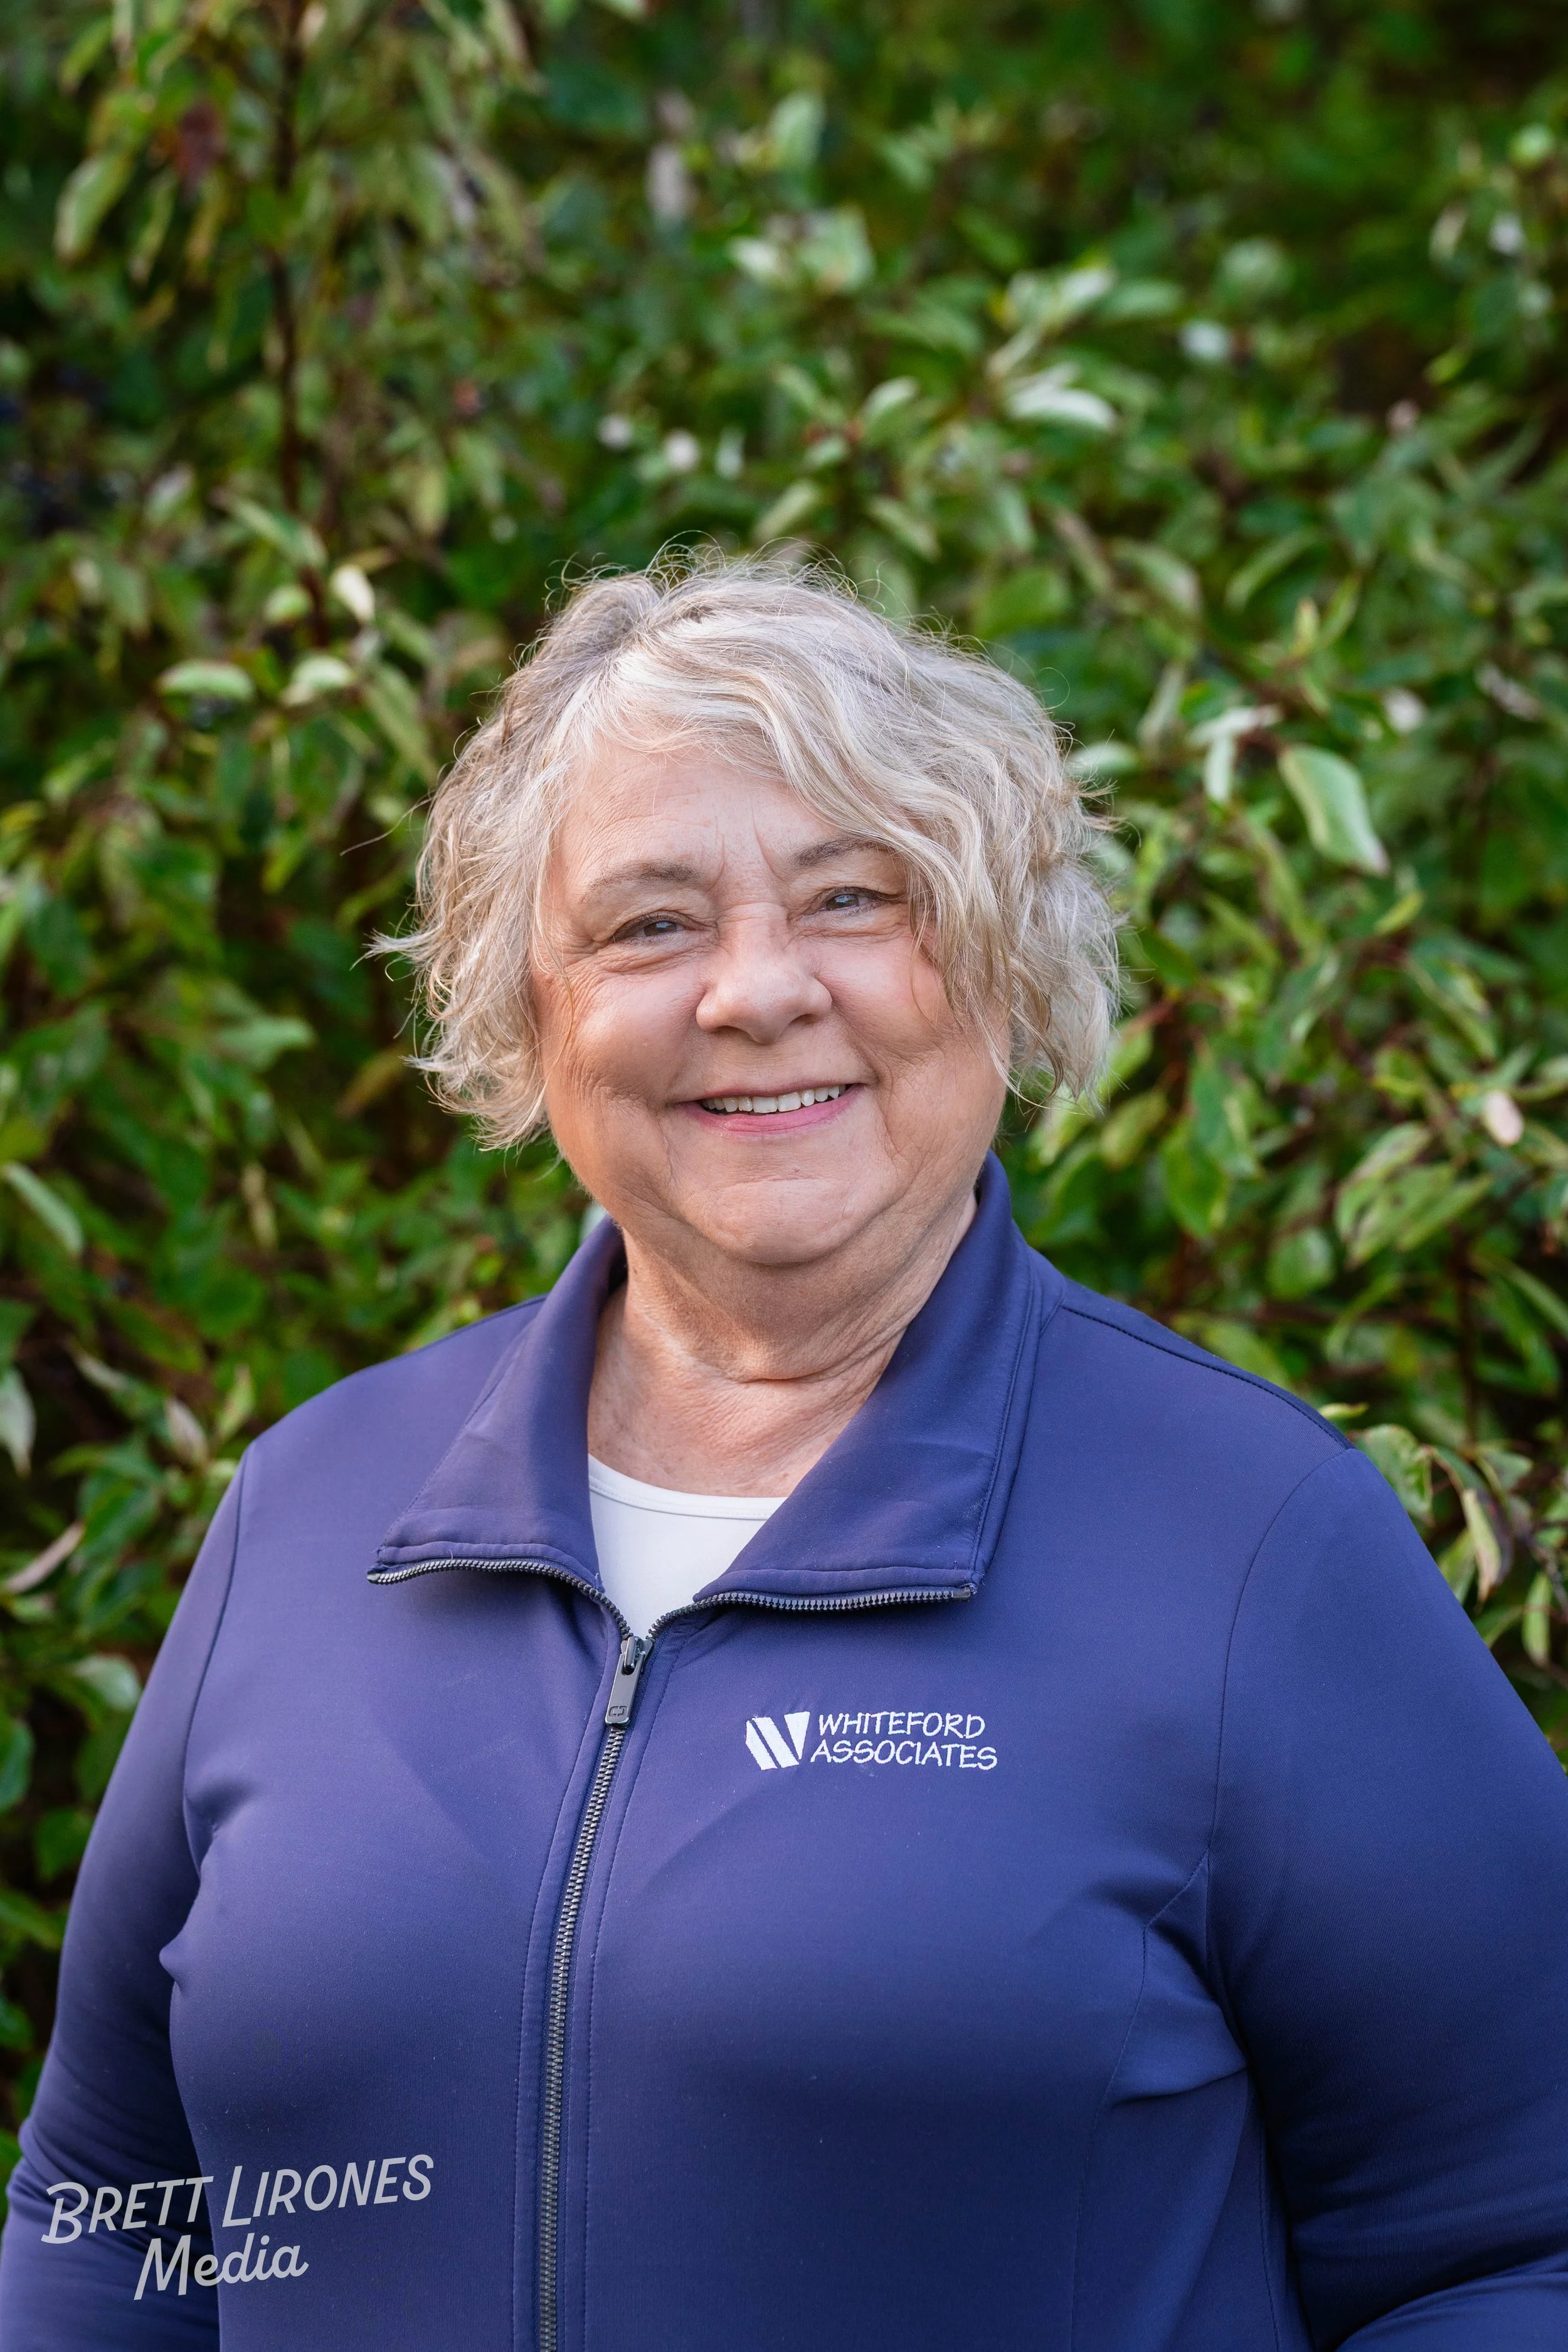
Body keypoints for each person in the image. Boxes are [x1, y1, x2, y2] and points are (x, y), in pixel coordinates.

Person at [3, 556, 1567, 2352]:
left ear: (1001, 961)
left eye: (853, 898)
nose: (755, 989)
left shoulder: (1253, 1546)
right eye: (650, 924)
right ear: (528, 1007)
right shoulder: (313, 1508)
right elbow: (112, 2213)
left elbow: (1516, 2249)